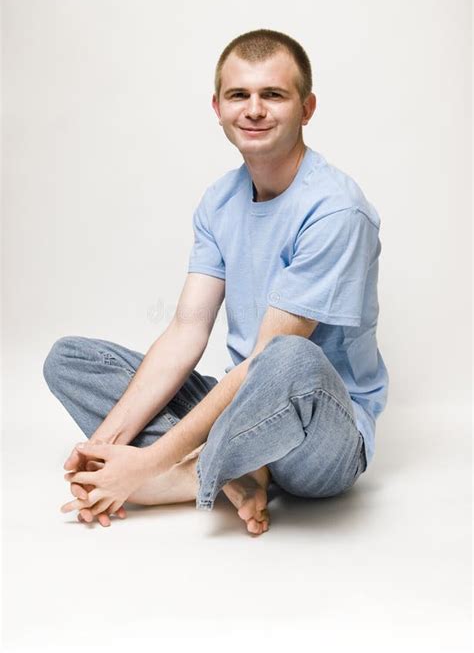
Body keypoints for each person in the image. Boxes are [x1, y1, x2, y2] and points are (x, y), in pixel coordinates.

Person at [43, 28, 389, 537]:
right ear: (218, 107)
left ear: (307, 108)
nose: (254, 109)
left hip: (322, 436)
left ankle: (190, 472)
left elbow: (267, 361)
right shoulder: (219, 201)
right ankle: (238, 469)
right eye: (239, 95)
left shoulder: (336, 210)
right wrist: (107, 449)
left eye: (272, 94)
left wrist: (145, 465)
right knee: (69, 359)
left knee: (286, 358)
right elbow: (186, 331)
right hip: (247, 404)